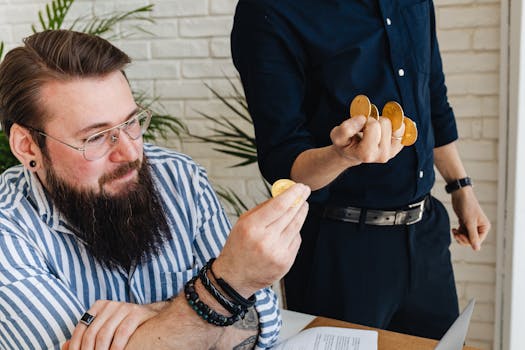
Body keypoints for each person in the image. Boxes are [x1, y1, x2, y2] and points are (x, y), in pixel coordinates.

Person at [0, 29, 311, 350]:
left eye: (130, 123)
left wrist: (153, 314)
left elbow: (264, 322)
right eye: (95, 138)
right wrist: (224, 287)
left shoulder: (180, 178)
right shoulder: (7, 229)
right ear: (27, 147)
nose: (131, 154)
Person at [230, 0, 491, 340]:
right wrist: (344, 156)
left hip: (426, 237)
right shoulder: (266, 9)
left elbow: (431, 96)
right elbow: (285, 163)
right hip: (339, 250)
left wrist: (461, 187)